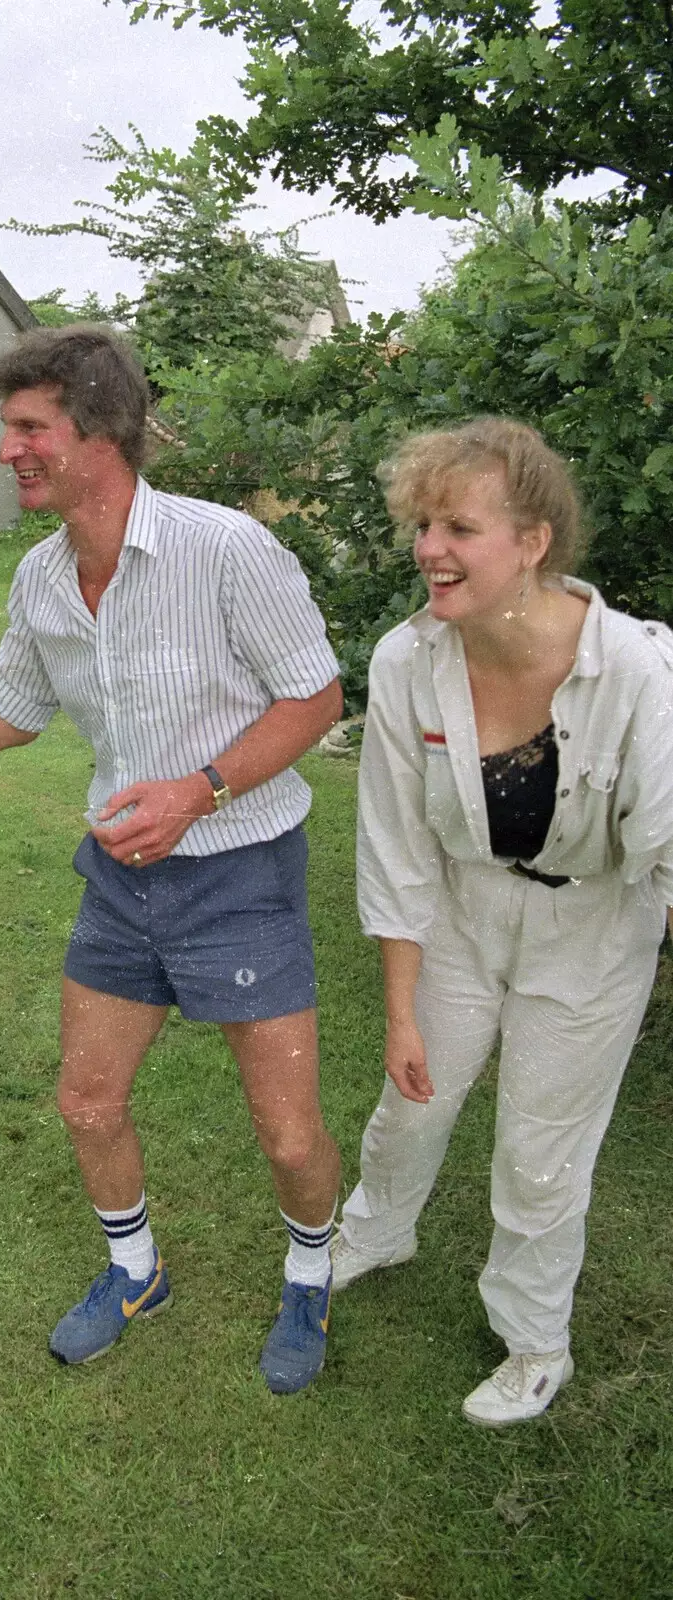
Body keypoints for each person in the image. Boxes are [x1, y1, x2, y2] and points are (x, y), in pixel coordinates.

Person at [0, 325, 345, 1393]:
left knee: (284, 1134)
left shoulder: (223, 550)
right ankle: (134, 1270)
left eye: (30, 428)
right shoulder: (43, 578)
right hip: (119, 882)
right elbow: (9, 710)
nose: (8, 450)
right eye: (9, 429)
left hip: (239, 871)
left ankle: (311, 1272)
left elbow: (315, 695)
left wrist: (199, 790)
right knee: (86, 1103)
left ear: (99, 433)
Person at [332, 418, 673, 1426]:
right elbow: (395, 847)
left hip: (594, 929)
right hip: (461, 912)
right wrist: (399, 1012)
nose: (429, 547)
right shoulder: (407, 659)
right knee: (412, 1099)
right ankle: (374, 1229)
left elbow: (661, 840)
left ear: (531, 540)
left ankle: (533, 1339)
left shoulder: (639, 673)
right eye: (422, 522)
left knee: (541, 1146)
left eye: (459, 527)